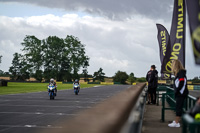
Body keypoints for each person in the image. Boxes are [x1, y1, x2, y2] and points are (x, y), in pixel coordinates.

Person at [168, 59, 189, 127]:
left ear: (175, 65)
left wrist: (177, 91)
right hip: (180, 93)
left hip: (181, 93)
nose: (172, 66)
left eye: (172, 65)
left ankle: (177, 123)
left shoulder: (181, 72)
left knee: (178, 107)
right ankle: (177, 121)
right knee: (178, 107)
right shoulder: (180, 73)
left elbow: (182, 82)